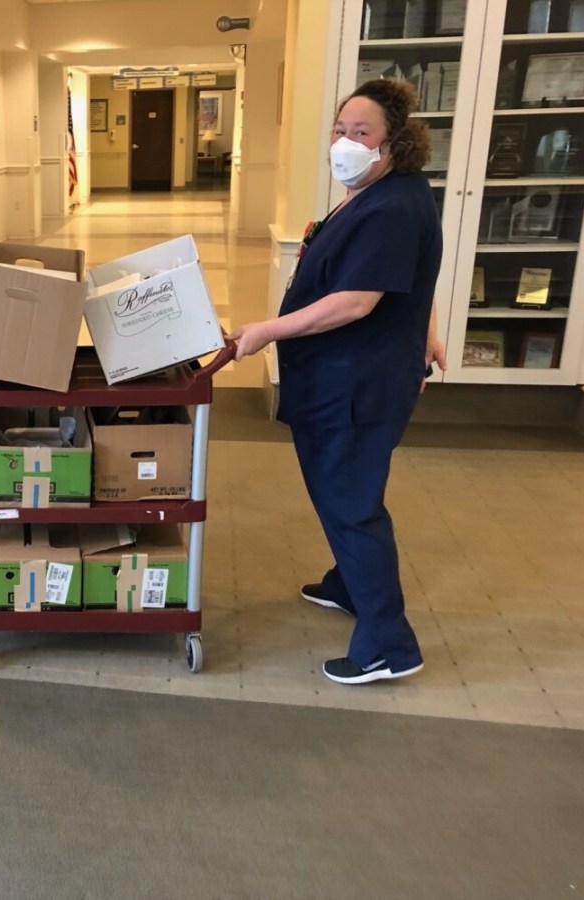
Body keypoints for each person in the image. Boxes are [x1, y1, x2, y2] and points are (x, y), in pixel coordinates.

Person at [230, 78, 446, 685]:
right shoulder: (379, 193)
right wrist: (426, 329)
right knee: (338, 492)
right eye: (340, 129)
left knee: (351, 504)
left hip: (355, 386)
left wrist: (267, 331)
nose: (345, 142)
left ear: (393, 143)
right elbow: (414, 276)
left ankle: (388, 646)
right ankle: (349, 584)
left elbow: (356, 301)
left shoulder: (391, 208)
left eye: (362, 132)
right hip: (347, 375)